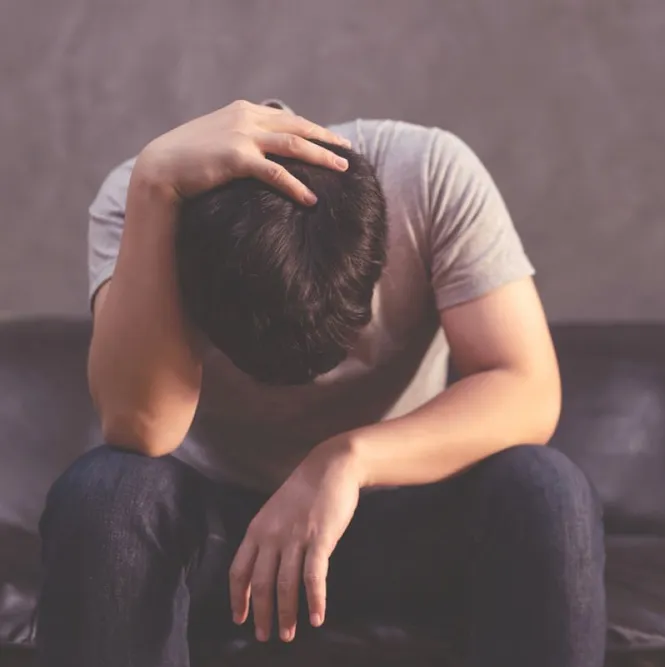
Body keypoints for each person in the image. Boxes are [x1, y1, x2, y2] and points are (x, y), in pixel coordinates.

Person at [36, 99, 606, 667]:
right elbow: (142, 428)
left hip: (400, 510)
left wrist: (348, 459)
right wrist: (154, 184)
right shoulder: (144, 197)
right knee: (106, 491)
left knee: (545, 486)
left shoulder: (430, 175)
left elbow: (527, 388)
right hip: (222, 538)